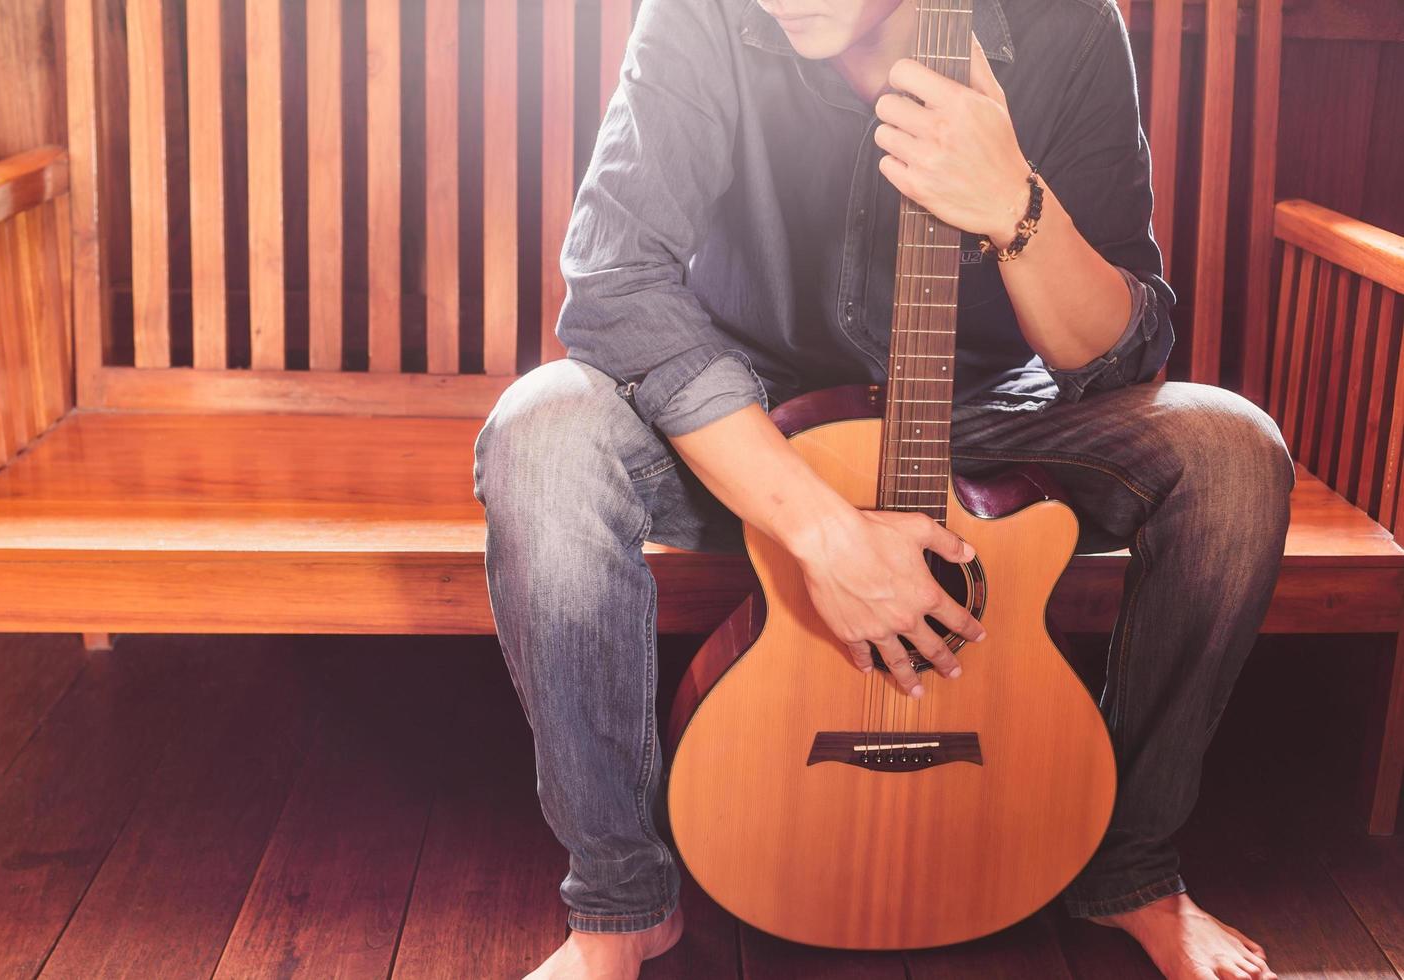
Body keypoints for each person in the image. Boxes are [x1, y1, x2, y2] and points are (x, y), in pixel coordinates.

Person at [471, 1, 1293, 977]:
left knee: (1235, 451)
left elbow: (1117, 354)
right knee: (538, 432)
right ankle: (620, 906)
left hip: (980, 422)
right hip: (749, 426)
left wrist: (1015, 207)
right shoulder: (702, 12)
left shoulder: (1066, 23)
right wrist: (827, 532)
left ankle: (1131, 869)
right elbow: (616, 285)